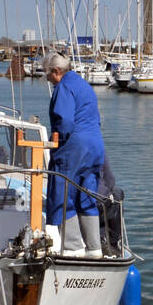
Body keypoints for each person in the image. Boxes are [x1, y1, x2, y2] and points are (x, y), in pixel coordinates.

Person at [43, 52, 105, 257]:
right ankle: (94, 248)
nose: (48, 79)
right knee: (87, 192)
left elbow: (65, 120)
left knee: (63, 191)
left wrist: (57, 142)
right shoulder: (84, 85)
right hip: (95, 144)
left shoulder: (63, 87)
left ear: (56, 71)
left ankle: (72, 248)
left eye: (48, 74)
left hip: (74, 146)